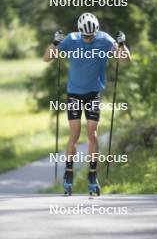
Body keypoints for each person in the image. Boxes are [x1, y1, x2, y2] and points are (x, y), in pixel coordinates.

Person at [43, 12, 131, 195]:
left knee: (92, 133)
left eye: (91, 36)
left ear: (96, 31)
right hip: (74, 94)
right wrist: (55, 42)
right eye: (85, 36)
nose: (88, 39)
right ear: (80, 32)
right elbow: (47, 58)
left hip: (93, 94)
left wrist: (122, 45)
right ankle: (68, 173)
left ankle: (92, 174)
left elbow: (125, 60)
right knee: (74, 134)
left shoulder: (105, 40)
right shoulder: (71, 40)